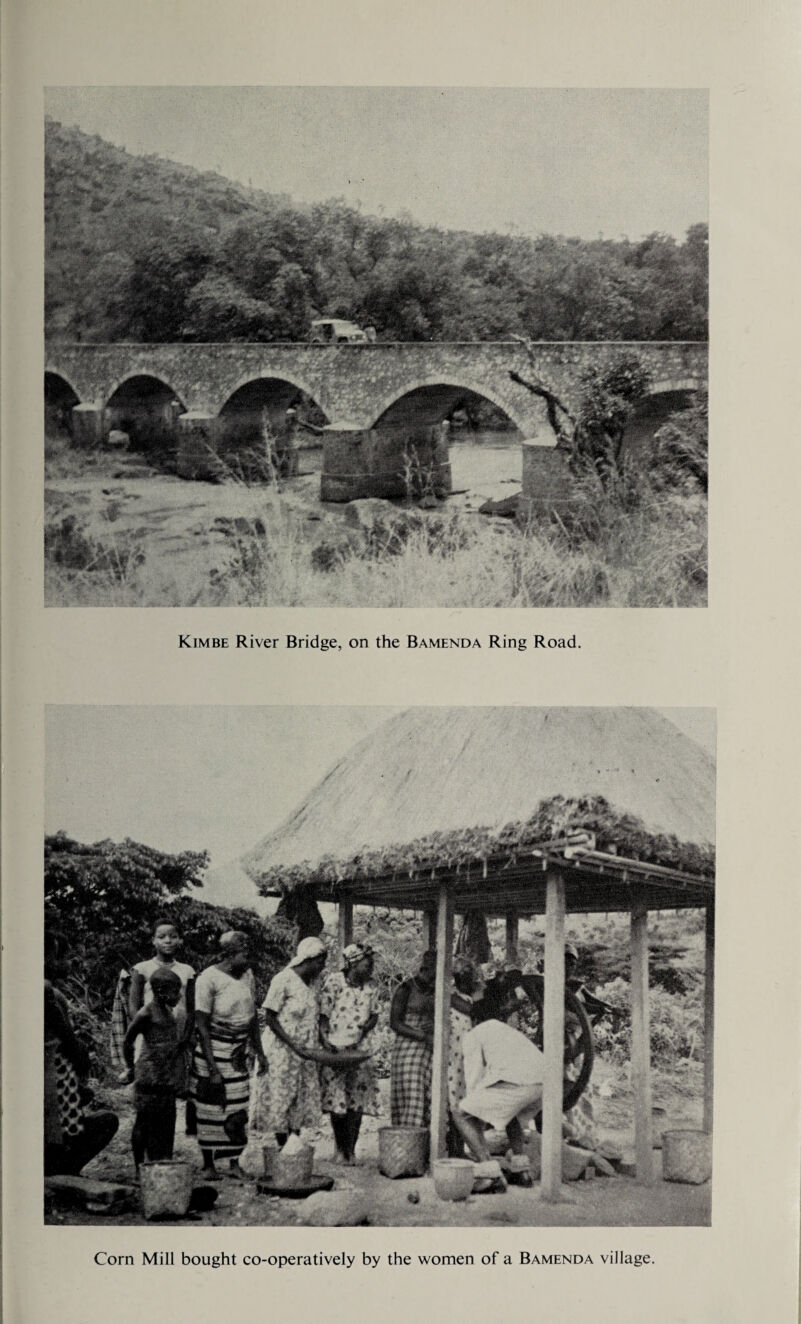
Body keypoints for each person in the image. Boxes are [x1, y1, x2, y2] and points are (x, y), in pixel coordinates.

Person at [190, 931, 265, 1180]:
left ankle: (234, 1162)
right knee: (210, 1107)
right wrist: (212, 1068)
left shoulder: (247, 977)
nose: (248, 955)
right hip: (213, 1051)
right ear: (229, 954)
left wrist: (260, 1052)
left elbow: (252, 1016)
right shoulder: (207, 979)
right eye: (243, 951)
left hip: (238, 1053)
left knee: (238, 1108)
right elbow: (201, 1024)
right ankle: (209, 1164)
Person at [44, 932, 119, 1176]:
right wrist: (81, 1058)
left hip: (53, 1074)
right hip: (53, 1070)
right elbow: (67, 1039)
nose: (68, 963)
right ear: (45, 959)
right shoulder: (46, 991)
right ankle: (62, 1170)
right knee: (72, 1123)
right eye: (62, 957)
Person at [451, 1015, 544, 1190]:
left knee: (460, 1112)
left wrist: (476, 1115)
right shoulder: (500, 1029)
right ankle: (521, 1171)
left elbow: (474, 1080)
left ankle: (489, 1174)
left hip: (521, 1082)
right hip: (543, 1084)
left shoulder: (471, 1036)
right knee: (510, 1113)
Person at [258, 936, 328, 1147]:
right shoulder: (283, 979)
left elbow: (313, 1018)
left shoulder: (314, 984)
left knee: (299, 1096)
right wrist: (292, 1043)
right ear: (307, 959)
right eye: (320, 962)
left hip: (305, 1050)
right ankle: (283, 1148)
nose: (322, 966)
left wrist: (322, 1041)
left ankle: (294, 1146)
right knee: (283, 1097)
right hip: (282, 1047)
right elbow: (269, 1017)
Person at [319, 942, 380, 1163]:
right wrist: (326, 1043)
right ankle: (339, 1149)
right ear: (353, 963)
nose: (370, 968)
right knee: (338, 1100)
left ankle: (351, 1150)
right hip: (337, 1048)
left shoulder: (371, 986)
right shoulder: (334, 982)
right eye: (367, 963)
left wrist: (367, 1026)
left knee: (357, 1102)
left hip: (361, 1050)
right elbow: (324, 1015)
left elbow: (374, 1014)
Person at [122, 966, 183, 1175]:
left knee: (166, 1121)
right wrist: (130, 1067)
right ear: (162, 992)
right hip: (148, 1075)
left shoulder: (168, 1011)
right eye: (176, 992)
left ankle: (162, 1164)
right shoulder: (146, 1012)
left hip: (165, 1076)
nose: (180, 996)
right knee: (144, 1121)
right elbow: (128, 1041)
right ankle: (140, 1167)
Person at [128, 920, 195, 1093]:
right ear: (153, 940)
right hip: (151, 1035)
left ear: (180, 940)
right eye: (162, 936)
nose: (167, 941)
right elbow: (134, 1006)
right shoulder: (142, 968)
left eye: (173, 937)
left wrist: (186, 1037)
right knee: (149, 1079)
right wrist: (146, 1031)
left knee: (172, 1083)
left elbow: (191, 1007)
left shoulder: (187, 970)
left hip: (178, 1036)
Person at [389, 950, 437, 1128]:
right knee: (413, 1094)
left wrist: (434, 1026)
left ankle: (426, 1143)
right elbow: (394, 1022)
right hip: (409, 1046)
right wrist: (422, 1035)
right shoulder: (406, 988)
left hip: (430, 1046)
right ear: (426, 969)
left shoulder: (436, 989)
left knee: (429, 1094)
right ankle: (409, 1139)